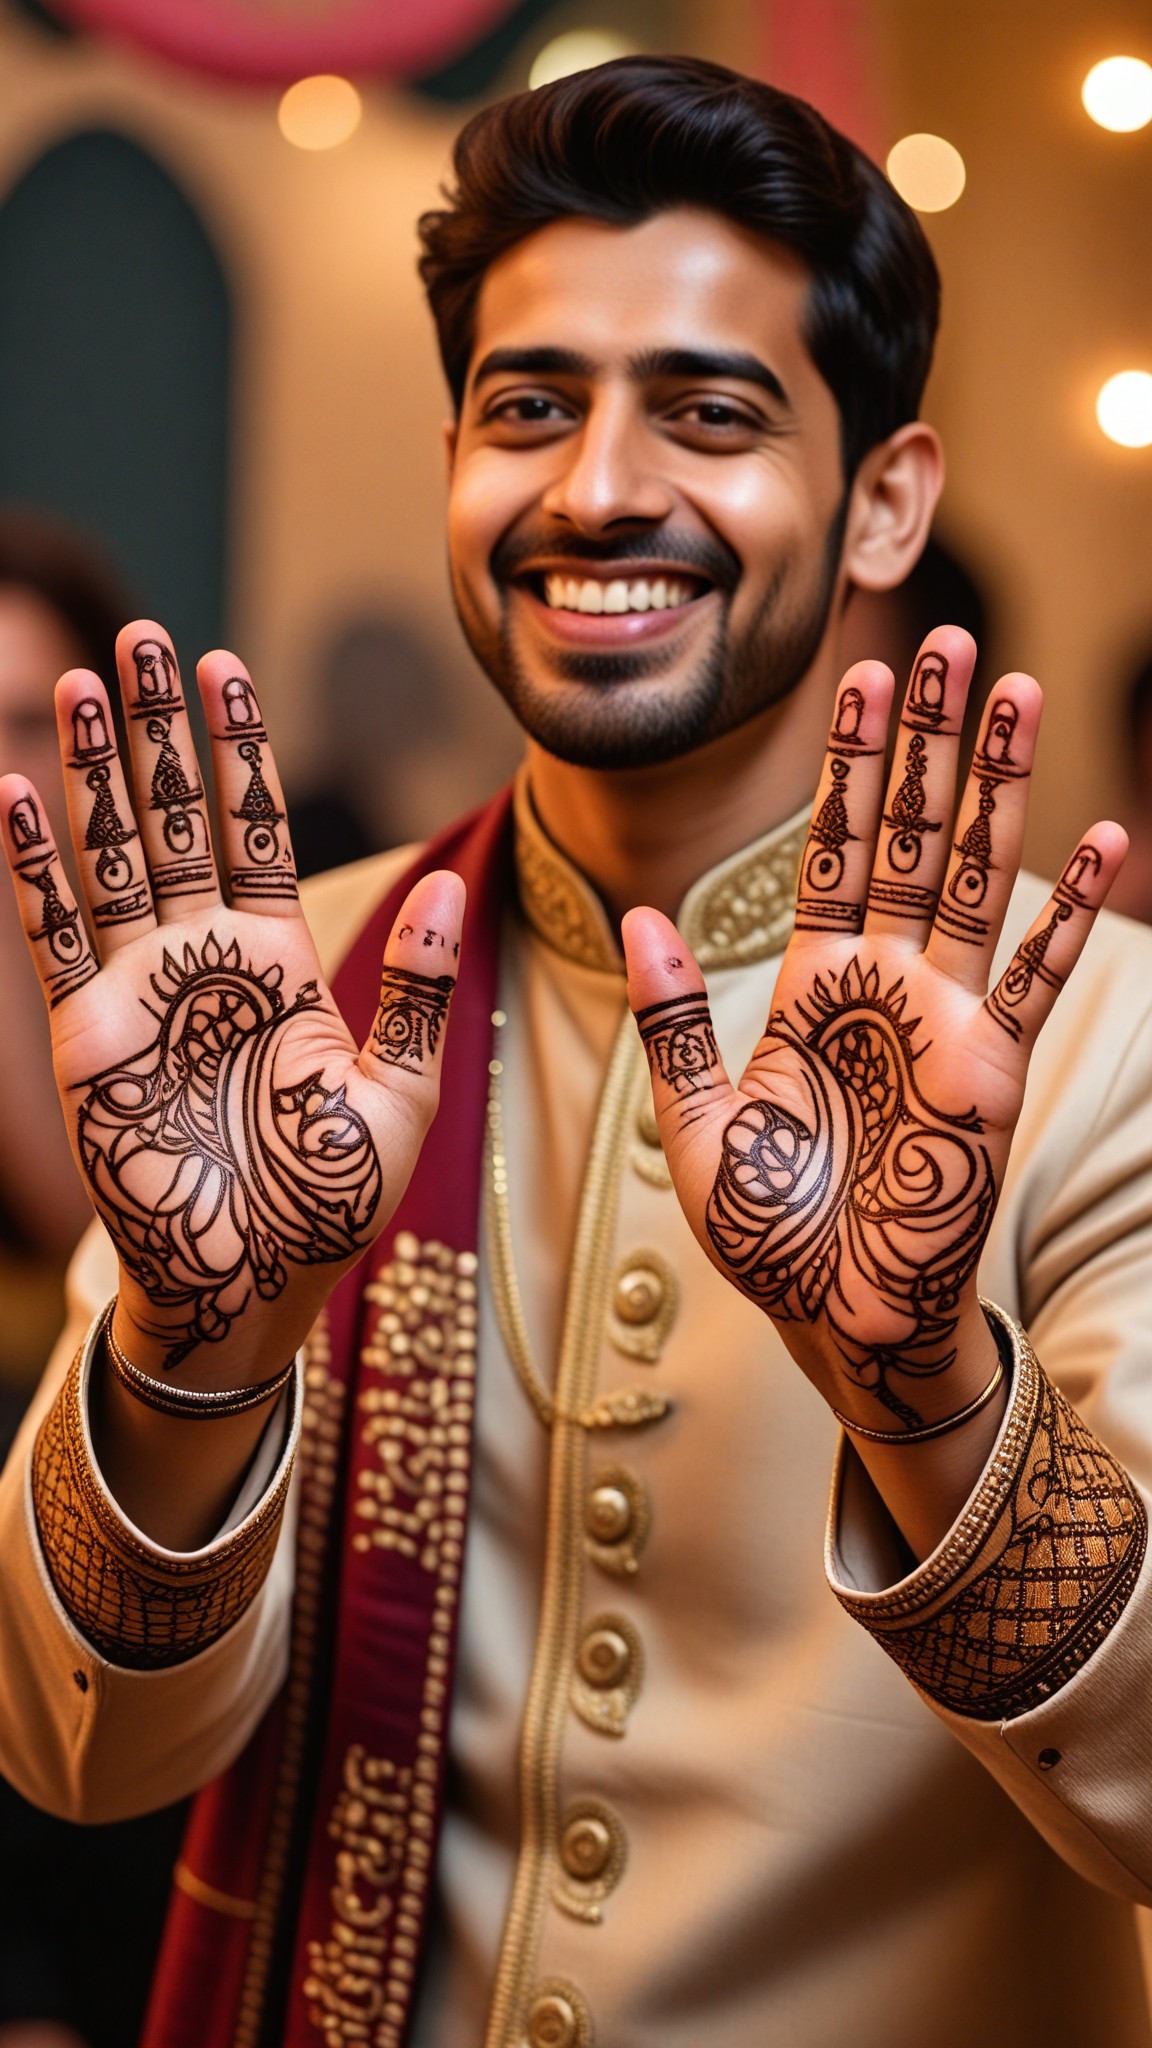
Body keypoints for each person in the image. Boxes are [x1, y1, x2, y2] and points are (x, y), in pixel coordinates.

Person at [0, 56, 1150, 2048]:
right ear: (456, 452)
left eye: (708, 411)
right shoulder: (292, 997)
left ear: (886, 497)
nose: (600, 486)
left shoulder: (1100, 1042)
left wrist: (930, 1387)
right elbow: (71, 1744)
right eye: (531, 407)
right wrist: (195, 1352)